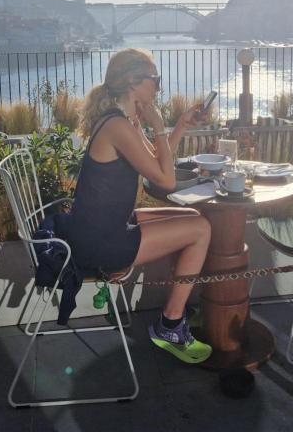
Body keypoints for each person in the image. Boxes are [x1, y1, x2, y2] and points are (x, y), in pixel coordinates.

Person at [66, 48, 213, 364]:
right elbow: (167, 182)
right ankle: (170, 325)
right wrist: (158, 124)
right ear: (133, 81)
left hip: (104, 226)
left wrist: (181, 126)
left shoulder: (124, 121)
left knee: (193, 218)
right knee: (200, 229)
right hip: (100, 243)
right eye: (155, 80)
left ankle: (177, 308)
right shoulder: (118, 126)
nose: (158, 87)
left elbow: (158, 162)